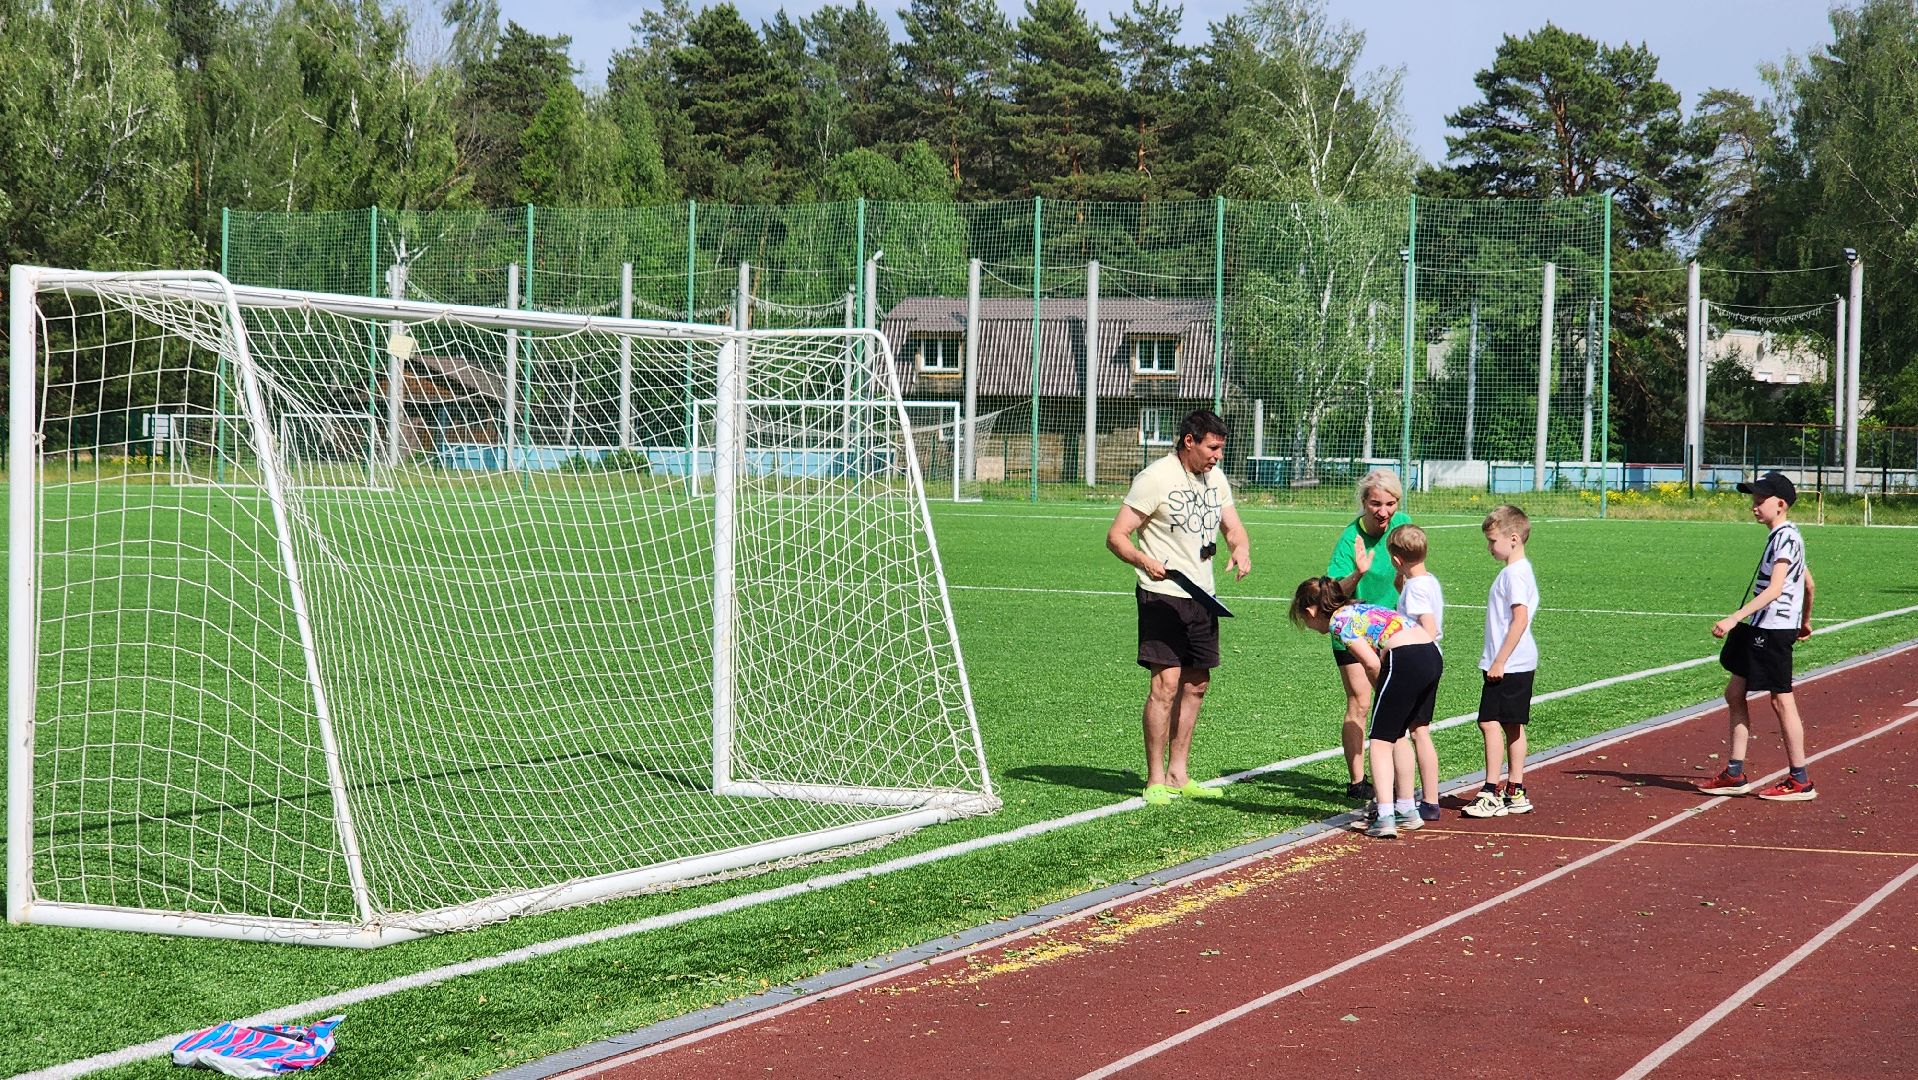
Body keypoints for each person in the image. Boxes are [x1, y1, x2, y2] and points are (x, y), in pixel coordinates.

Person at [1106, 409, 1251, 806]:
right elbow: (1116, 536)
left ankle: (1178, 773)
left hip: (1203, 597)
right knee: (1165, 686)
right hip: (1162, 594)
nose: (1218, 456)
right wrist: (1143, 561)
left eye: (1221, 449)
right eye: (1212, 447)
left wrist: (1241, 548)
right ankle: (1155, 778)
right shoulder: (1155, 478)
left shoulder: (1216, 478)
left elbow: (1233, 527)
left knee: (1197, 684)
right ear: (1190, 441)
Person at [1290, 576, 1442, 839]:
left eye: (1305, 619)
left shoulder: (1339, 622)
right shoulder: (1357, 608)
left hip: (1405, 657)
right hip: (1430, 654)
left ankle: (1385, 815)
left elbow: (1371, 663)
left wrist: (1382, 690)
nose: (1308, 625)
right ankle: (1406, 809)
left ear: (1311, 611)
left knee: (1380, 740)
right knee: (1398, 734)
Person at [1697, 471, 1818, 801]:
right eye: (1753, 499)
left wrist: (1734, 617)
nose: (1754, 505)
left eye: (1760, 499)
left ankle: (1800, 779)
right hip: (1767, 627)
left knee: (1781, 700)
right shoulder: (1786, 536)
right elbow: (1808, 584)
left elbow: (1776, 589)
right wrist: (1805, 621)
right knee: (1735, 692)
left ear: (1780, 504)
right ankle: (1734, 773)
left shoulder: (1784, 538)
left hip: (1772, 629)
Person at [1325, 469, 1412, 799]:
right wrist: (1358, 572)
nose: (1383, 511)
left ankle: (1396, 779)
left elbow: (1412, 566)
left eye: (1390, 503)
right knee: (1360, 701)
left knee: (1394, 701)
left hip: (1390, 628)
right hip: (1353, 628)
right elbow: (1333, 593)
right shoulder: (1351, 538)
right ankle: (1358, 781)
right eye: (1376, 504)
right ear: (1364, 502)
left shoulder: (1403, 524)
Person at [1464, 505, 1540, 819]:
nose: (1489, 547)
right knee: (1512, 724)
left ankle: (1491, 790)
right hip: (1520, 662)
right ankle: (1515, 789)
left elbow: (1519, 619)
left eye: (1492, 541)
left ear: (1513, 538)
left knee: (1489, 722)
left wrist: (1499, 661)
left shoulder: (1513, 574)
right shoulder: (1519, 571)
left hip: (1509, 663)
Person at [1389, 524, 1445, 823]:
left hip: (1415, 662)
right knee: (1420, 729)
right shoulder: (1427, 580)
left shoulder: (1415, 589)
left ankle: (1405, 799)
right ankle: (1430, 800)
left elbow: (1428, 626)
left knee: (1403, 731)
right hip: (1432, 659)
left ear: (1396, 560)